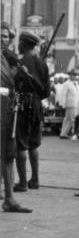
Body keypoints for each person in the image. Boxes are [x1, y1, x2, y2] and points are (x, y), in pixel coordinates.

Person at [13, 31, 50, 193]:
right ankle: (35, 180)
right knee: (34, 144)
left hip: (22, 104)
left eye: (20, 42)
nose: (18, 45)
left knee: (21, 145)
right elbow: (46, 91)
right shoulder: (42, 64)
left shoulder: (19, 63)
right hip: (36, 106)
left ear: (24, 44)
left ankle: (22, 183)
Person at [1, 22, 32, 212]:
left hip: (7, 108)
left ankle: (9, 199)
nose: (2, 39)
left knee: (8, 154)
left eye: (5, 36)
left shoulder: (6, 58)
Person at [59, 70, 79, 139]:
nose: (73, 76)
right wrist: (63, 104)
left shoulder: (75, 83)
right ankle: (75, 133)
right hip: (69, 103)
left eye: (74, 75)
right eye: (72, 75)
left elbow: (77, 94)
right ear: (69, 75)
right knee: (71, 119)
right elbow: (64, 94)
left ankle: (63, 133)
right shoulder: (66, 83)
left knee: (67, 119)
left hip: (75, 103)